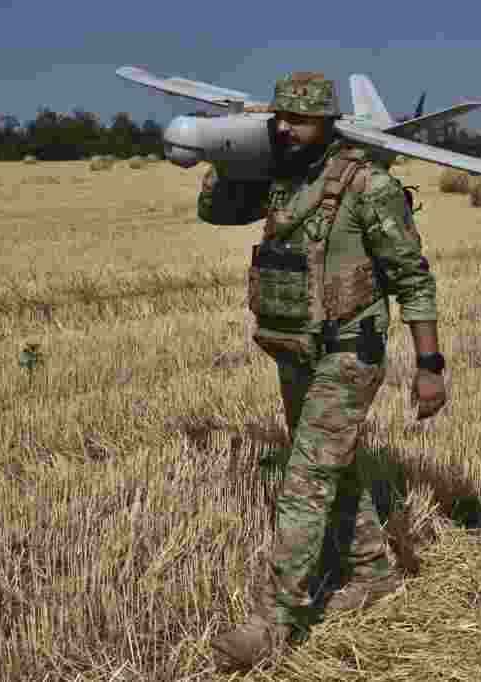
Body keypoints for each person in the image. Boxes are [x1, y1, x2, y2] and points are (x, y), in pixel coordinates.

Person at [197, 71, 447, 670]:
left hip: (349, 352)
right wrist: (225, 161)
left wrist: (430, 365)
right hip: (294, 347)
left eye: (300, 119)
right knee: (332, 466)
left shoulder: (370, 187)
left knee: (304, 477)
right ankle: (372, 572)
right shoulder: (281, 176)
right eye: (280, 116)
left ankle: (272, 620)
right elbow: (214, 212)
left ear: (328, 123)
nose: (285, 127)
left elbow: (413, 279)